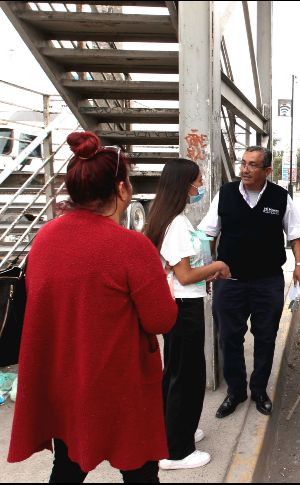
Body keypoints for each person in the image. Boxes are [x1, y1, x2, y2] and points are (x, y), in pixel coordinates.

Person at [7, 131, 178, 483]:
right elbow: (161, 319)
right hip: (119, 384)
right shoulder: (132, 247)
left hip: (65, 379)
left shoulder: (44, 239)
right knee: (140, 471)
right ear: (121, 190)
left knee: (67, 467)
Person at [199, 146, 300, 418]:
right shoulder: (225, 194)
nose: (244, 170)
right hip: (229, 282)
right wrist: (208, 266)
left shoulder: (280, 197)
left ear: (267, 171)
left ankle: (259, 390)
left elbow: (294, 235)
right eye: (243, 163)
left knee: (266, 337)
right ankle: (236, 391)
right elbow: (209, 233)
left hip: (267, 282)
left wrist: (299, 265)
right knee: (229, 337)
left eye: (252, 165)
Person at [143, 158, 231, 470]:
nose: (200, 186)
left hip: (178, 305)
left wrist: (202, 270)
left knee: (177, 373)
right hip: (183, 308)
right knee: (188, 377)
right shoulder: (176, 224)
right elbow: (184, 275)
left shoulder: (169, 218)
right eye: (197, 181)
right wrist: (217, 267)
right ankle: (177, 451)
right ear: (184, 185)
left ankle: (175, 430)